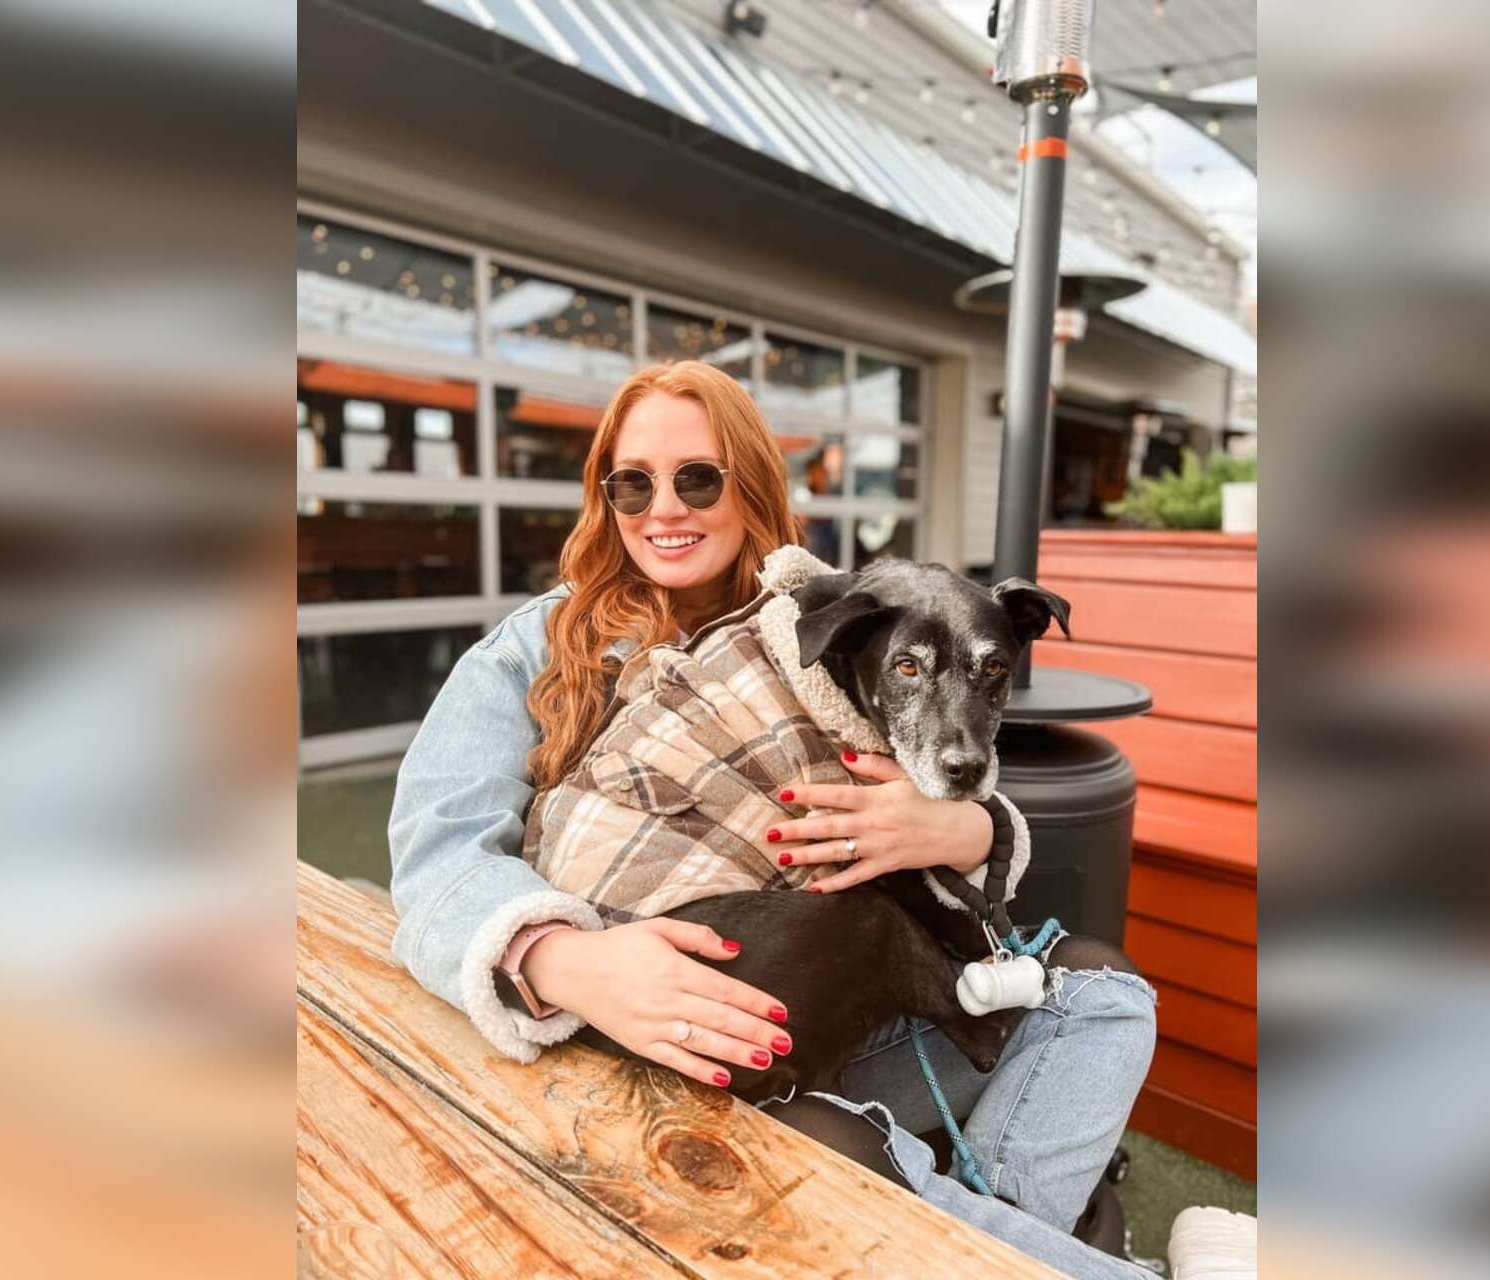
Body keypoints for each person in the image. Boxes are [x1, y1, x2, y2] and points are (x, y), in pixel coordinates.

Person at [388, 360, 1159, 1276]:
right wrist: (565, 961)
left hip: (823, 1008)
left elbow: (940, 771)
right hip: (637, 1048)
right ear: (606, 499)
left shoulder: (837, 615)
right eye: (632, 483)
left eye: (697, 479)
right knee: (837, 1143)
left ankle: (1000, 1235)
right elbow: (434, 853)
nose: (662, 509)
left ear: (751, 482)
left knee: (1100, 988)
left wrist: (974, 831)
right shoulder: (532, 649)